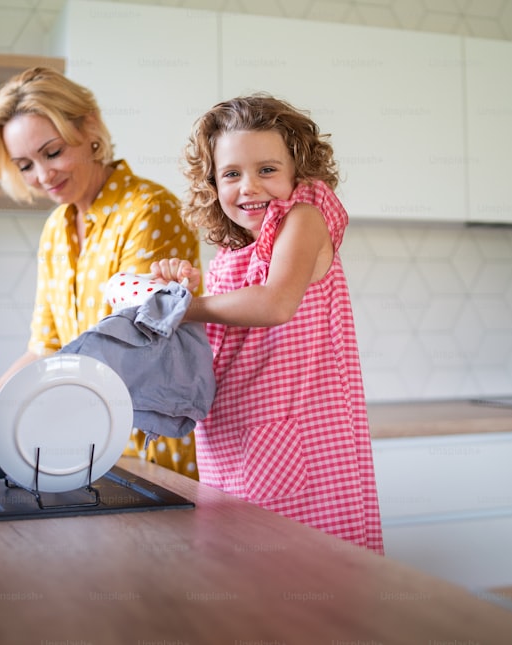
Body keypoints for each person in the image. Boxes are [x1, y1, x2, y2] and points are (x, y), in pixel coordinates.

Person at [0, 67, 201, 479]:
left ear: (89, 129)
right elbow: (45, 347)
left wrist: (4, 407)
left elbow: (131, 351)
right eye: (25, 164)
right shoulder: (56, 229)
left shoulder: (148, 209)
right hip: (87, 445)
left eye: (52, 152)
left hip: (152, 447)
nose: (43, 176)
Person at [151, 94, 383, 551]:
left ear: (298, 171)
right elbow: (221, 342)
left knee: (304, 582)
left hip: (295, 447)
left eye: (267, 170)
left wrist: (182, 307)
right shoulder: (231, 252)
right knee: (246, 590)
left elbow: (274, 304)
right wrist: (183, 291)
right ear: (213, 182)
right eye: (232, 174)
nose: (249, 186)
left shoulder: (305, 217)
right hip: (230, 445)